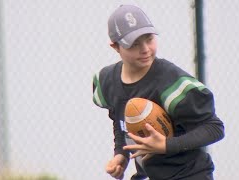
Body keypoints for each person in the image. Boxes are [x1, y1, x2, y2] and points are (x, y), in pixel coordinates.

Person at [92, 4, 225, 180]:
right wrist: (121, 155)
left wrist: (166, 145)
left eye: (149, 39)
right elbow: (121, 120)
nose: (145, 49)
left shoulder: (172, 81)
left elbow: (215, 128)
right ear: (115, 47)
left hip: (189, 175)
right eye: (134, 44)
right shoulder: (107, 80)